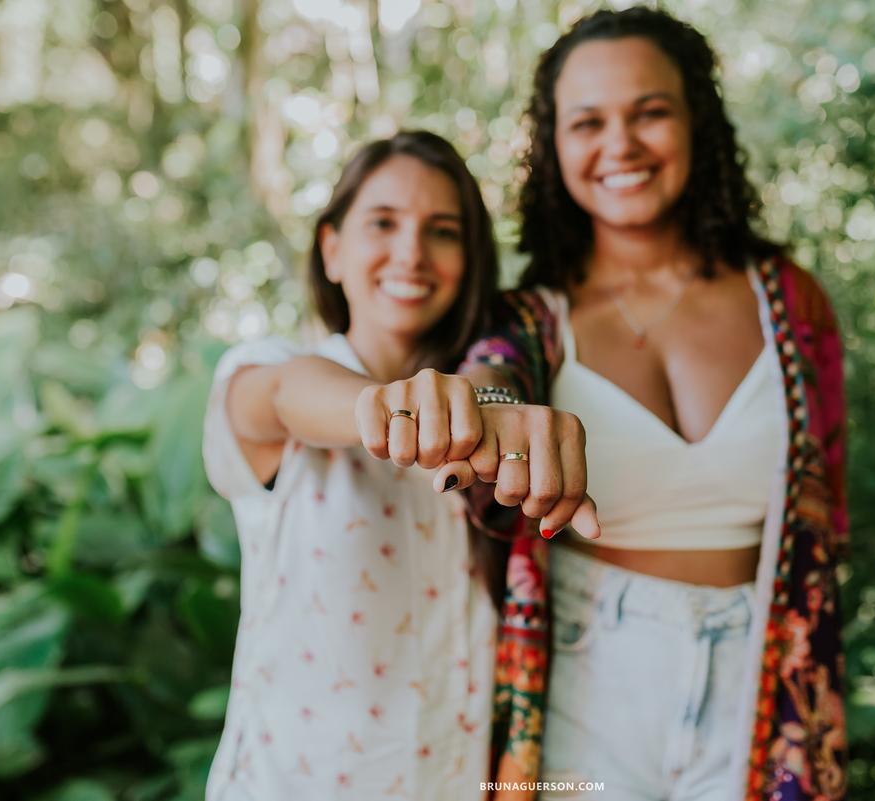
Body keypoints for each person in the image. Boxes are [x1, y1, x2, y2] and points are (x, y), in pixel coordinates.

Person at [461, 9, 849, 801]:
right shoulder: (527, 319)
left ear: (696, 123)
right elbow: (490, 388)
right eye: (588, 122)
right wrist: (491, 409)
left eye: (650, 112)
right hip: (584, 669)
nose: (621, 145)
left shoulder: (791, 301)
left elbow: (830, 510)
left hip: (765, 664)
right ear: (553, 145)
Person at [202, 131, 596, 801]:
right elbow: (286, 395)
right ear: (332, 248)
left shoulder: (489, 397)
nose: (411, 251)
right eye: (383, 222)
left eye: (443, 231)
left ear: (470, 260)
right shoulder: (263, 369)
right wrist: (394, 405)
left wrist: (489, 409)